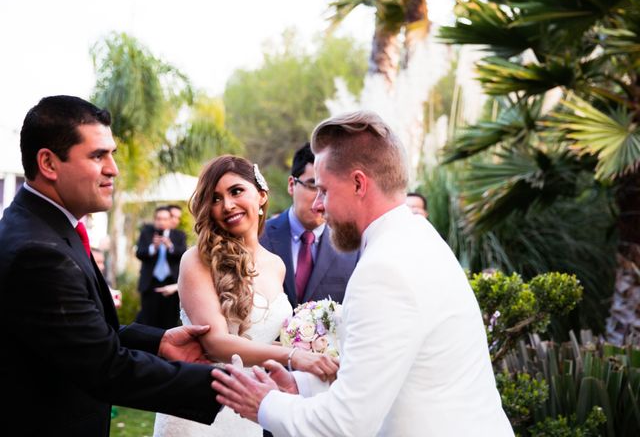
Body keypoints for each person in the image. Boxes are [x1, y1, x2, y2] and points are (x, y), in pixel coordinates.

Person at [211, 110, 514, 436]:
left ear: (358, 183)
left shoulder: (383, 270)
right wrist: (303, 388)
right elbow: (388, 374)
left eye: (324, 190)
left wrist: (264, 404)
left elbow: (346, 424)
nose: (317, 206)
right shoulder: (418, 237)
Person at [0, 95, 223, 436]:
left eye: (112, 155)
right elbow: (106, 368)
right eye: (97, 155)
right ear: (48, 162)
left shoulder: (52, 227)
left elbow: (79, 337)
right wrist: (226, 383)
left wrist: (159, 341)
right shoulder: (38, 251)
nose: (113, 169)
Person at [153, 155, 339, 437]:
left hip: (252, 409)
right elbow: (215, 343)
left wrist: (313, 342)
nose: (227, 205)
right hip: (198, 407)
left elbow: (267, 337)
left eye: (236, 191)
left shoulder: (276, 265)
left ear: (262, 196)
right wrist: (294, 355)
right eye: (215, 199)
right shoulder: (198, 259)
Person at [260, 142, 358, 307]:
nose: (321, 200)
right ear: (292, 185)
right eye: (313, 186)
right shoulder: (260, 237)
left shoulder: (352, 247)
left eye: (327, 190)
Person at [135, 205, 187, 329]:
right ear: (154, 220)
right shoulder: (147, 233)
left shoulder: (179, 235)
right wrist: (153, 247)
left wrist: (170, 246)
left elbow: (183, 255)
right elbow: (139, 253)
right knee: (148, 322)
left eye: (165, 219)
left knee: (169, 323)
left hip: (171, 284)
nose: (161, 222)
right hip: (150, 284)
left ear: (170, 220)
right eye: (158, 219)